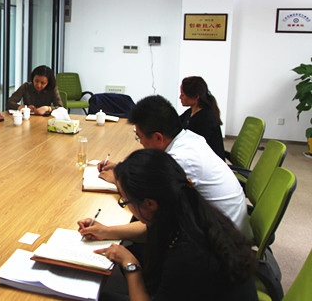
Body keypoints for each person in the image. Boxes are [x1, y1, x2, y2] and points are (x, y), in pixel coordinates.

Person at [86, 149, 257, 301]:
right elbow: (149, 230)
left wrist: (131, 265)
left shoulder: (188, 255)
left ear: (149, 204)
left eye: (125, 200)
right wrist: (107, 231)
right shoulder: (188, 209)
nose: (126, 204)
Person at [92, 95, 252, 239]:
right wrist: (122, 168)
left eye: (139, 137)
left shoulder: (180, 160)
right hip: (220, 223)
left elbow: (153, 217)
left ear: (158, 137)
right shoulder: (189, 138)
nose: (140, 143)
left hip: (223, 241)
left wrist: (118, 179)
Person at [179, 76, 225, 158]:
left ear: (196, 97)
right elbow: (175, 123)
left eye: (183, 95)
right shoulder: (190, 112)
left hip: (207, 161)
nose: (180, 97)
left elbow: (194, 147)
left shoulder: (205, 119)